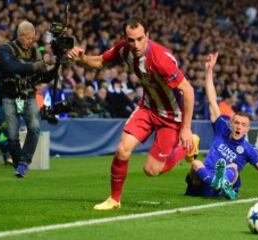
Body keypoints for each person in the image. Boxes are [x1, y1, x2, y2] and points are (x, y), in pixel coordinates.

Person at [68, 17, 197, 210]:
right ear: (125, 38)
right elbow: (100, 61)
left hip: (171, 116)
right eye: (131, 40)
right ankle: (114, 199)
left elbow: (188, 90)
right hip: (147, 108)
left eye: (139, 39)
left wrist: (186, 129)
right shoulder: (124, 49)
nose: (135, 45)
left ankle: (188, 146)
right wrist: (83, 58)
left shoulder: (161, 59)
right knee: (122, 149)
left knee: (151, 170)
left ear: (147, 36)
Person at [185, 53, 258, 200]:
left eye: (243, 125)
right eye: (237, 123)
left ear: (247, 129)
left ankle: (222, 184)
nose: (239, 126)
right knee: (195, 163)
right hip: (204, 179)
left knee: (233, 167)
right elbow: (212, 101)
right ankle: (216, 183)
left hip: (227, 180)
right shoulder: (221, 127)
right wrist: (209, 71)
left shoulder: (249, 149)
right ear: (231, 123)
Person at [0, 20, 56, 177]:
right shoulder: (6, 49)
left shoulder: (35, 52)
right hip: (10, 96)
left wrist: (56, 68)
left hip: (27, 96)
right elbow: (12, 67)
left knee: (35, 128)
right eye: (29, 38)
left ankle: (23, 163)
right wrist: (37, 65)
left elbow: (42, 78)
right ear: (20, 36)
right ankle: (19, 165)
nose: (32, 42)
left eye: (33, 39)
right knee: (11, 136)